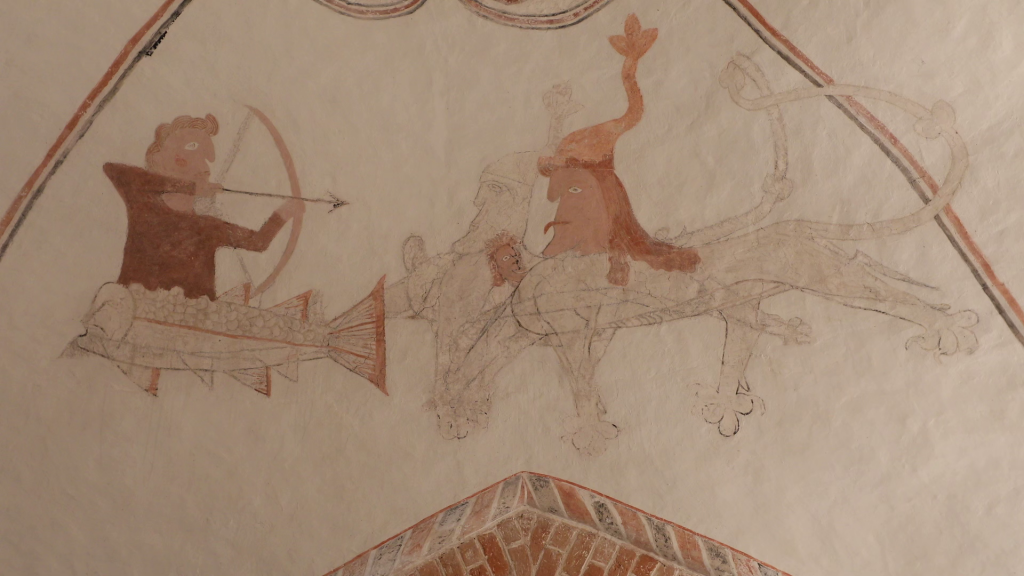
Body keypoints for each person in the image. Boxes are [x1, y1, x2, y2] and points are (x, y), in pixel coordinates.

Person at [103, 114, 305, 301]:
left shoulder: (207, 227)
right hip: (132, 309)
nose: (201, 167)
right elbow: (114, 170)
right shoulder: (144, 204)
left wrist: (284, 212)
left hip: (190, 318)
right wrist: (189, 187)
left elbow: (258, 242)